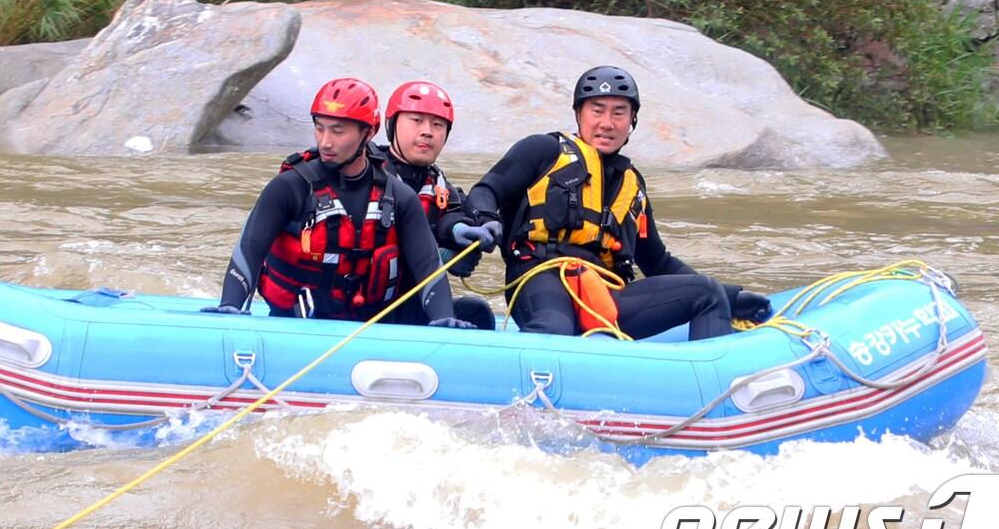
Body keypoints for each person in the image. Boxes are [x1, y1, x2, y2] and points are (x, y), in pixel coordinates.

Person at [462, 66, 770, 339]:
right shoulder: (542, 150)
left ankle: (712, 386)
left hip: (607, 294)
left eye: (619, 113)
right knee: (556, 326)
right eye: (597, 110)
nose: (607, 123)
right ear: (579, 114)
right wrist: (486, 219)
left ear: (631, 121)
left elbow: (657, 262)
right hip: (539, 277)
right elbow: (485, 191)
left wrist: (730, 295)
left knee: (708, 293)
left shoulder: (632, 185)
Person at [203, 77, 475, 329]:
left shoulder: (400, 197)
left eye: (338, 131)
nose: (326, 142)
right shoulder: (289, 188)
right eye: (320, 129)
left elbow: (428, 267)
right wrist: (230, 306)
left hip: (371, 330)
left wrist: (444, 320)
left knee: (476, 313)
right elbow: (249, 250)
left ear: (368, 133)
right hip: (293, 328)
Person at [372, 80, 497, 330]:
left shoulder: (439, 184)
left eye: (438, 125)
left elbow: (450, 217)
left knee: (478, 312)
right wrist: (439, 254)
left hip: (410, 305)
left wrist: (463, 237)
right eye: (416, 121)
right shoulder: (364, 172)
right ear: (391, 125)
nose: (428, 131)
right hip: (364, 304)